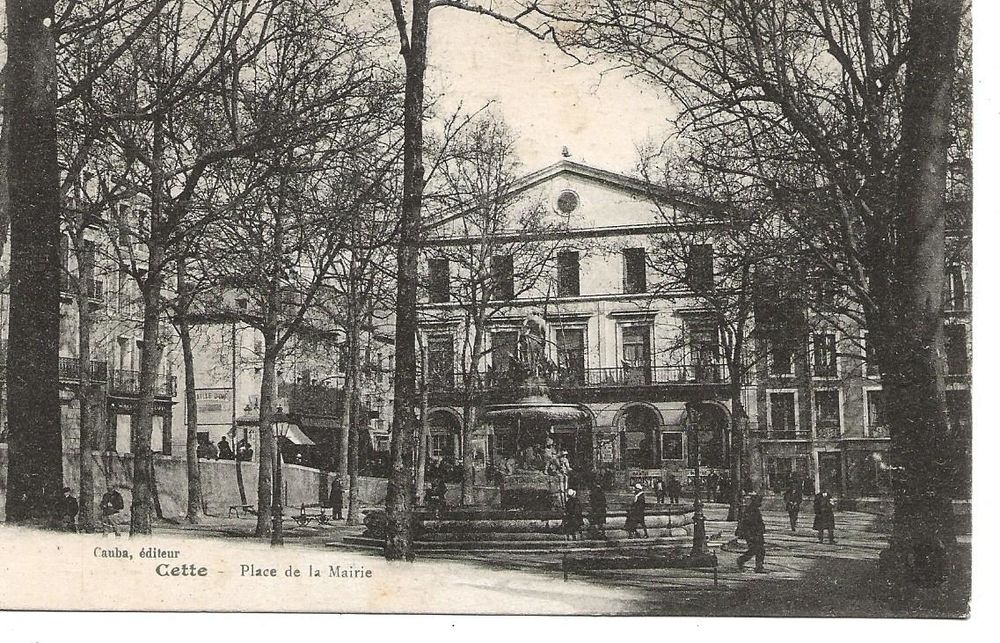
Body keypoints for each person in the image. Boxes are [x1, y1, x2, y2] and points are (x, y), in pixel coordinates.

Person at [736, 494, 766, 573]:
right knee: (755, 549)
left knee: (759, 550)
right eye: (759, 501)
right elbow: (748, 523)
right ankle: (742, 560)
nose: (760, 503)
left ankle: (758, 566)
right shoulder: (751, 510)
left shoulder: (754, 509)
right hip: (752, 533)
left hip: (756, 533)